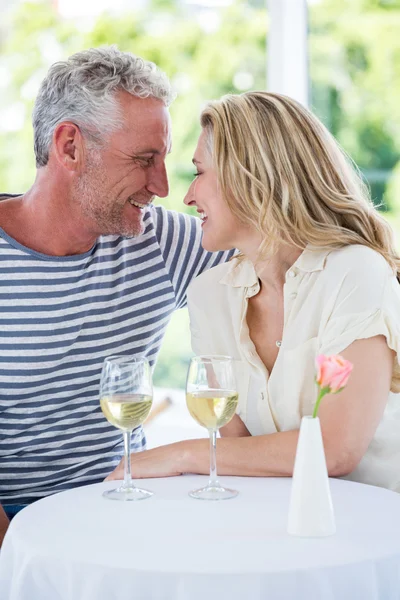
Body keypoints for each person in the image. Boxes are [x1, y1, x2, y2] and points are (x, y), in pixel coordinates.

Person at [107, 91, 400, 493]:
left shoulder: (354, 272)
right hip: (281, 525)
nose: (188, 197)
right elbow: (241, 458)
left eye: (199, 173)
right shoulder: (211, 295)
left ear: (251, 176)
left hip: (373, 532)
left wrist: (183, 454)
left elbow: (336, 450)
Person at [0, 45, 232, 541]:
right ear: (69, 147)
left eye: (165, 160)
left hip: (123, 509)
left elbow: (285, 257)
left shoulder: (160, 240)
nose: (163, 186)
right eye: (144, 160)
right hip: (14, 525)